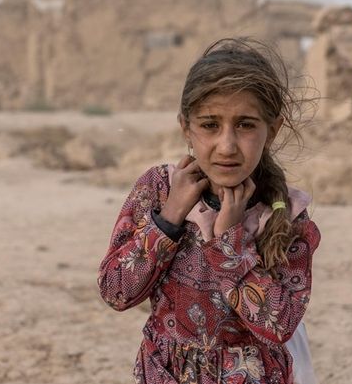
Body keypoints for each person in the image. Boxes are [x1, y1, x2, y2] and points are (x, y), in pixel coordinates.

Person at [97, 37, 320, 384]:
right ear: (186, 127)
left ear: (271, 131)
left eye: (246, 124)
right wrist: (168, 219)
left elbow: (280, 325)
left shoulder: (285, 215)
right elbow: (116, 291)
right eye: (210, 125)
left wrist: (230, 245)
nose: (227, 145)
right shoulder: (158, 191)